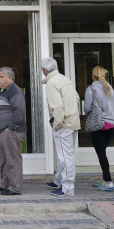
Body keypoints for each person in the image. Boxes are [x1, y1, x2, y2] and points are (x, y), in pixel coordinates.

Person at [41, 57, 80, 196]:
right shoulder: (65, 79)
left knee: (65, 157)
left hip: (63, 124)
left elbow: (56, 106)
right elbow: (76, 98)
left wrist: (57, 123)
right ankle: (59, 181)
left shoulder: (52, 83)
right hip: (72, 121)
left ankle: (67, 187)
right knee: (66, 155)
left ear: (45, 70)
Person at [0, 67, 27, 196]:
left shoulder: (14, 91)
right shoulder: (2, 91)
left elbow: (19, 111)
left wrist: (10, 128)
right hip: (1, 132)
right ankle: (5, 184)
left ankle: (15, 187)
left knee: (12, 159)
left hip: (11, 132)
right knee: (2, 160)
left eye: (2, 77)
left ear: (10, 78)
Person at [84, 65, 114, 191]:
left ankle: (108, 181)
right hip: (111, 124)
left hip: (99, 125)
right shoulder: (110, 88)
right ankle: (105, 179)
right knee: (103, 152)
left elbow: (87, 108)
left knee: (101, 153)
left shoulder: (91, 89)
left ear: (92, 76)